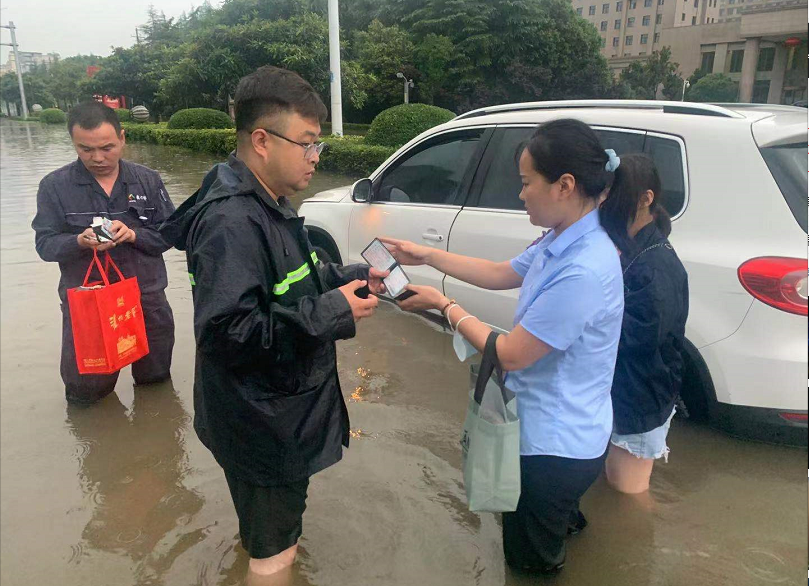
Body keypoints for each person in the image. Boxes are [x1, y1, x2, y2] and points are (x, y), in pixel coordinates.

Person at [159, 66, 388, 580]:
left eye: (318, 145)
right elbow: (229, 334)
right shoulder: (232, 221)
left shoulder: (269, 204)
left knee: (270, 535)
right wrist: (334, 312)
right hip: (261, 425)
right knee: (273, 556)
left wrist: (347, 278)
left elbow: (293, 278)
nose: (316, 157)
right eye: (307, 143)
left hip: (274, 412)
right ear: (261, 140)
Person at [381, 118, 625, 575]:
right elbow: (500, 272)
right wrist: (427, 254)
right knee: (555, 535)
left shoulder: (584, 268)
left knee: (530, 567)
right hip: (566, 428)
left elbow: (511, 353)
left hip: (554, 447)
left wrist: (444, 305)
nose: (521, 193)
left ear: (564, 185)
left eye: (526, 182)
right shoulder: (563, 239)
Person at [32, 101, 176, 404]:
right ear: (73, 142)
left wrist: (133, 234)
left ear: (122, 138)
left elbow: (170, 234)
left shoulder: (147, 180)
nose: (97, 158)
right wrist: (79, 242)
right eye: (85, 149)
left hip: (146, 299)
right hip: (89, 306)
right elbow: (45, 245)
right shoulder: (54, 186)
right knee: (87, 397)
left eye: (107, 148)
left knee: (155, 386)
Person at [598, 153, 689, 494]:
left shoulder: (657, 265)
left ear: (646, 199)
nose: (604, 202)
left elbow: (634, 339)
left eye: (613, 194)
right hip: (622, 392)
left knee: (627, 494)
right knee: (613, 483)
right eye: (604, 192)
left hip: (639, 398)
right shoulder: (627, 248)